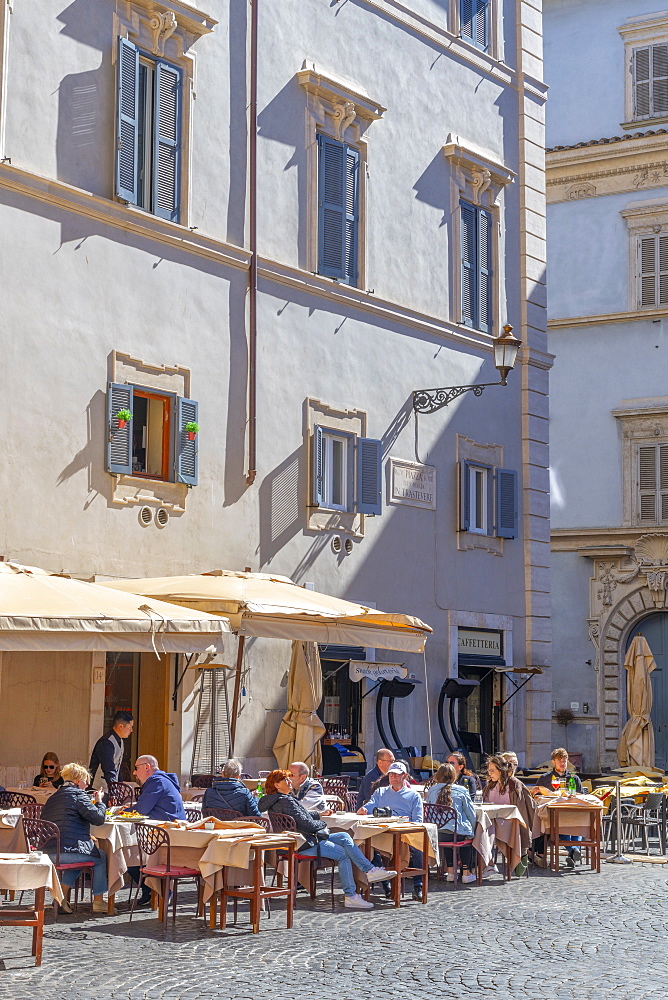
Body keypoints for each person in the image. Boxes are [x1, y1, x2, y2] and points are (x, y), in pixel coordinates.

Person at [258, 769, 397, 909]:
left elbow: (301, 815)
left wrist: (319, 814)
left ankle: (370, 871)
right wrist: (324, 824)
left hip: (301, 840)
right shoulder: (285, 801)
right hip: (305, 843)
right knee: (343, 855)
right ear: (276, 785)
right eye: (286, 780)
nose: (290, 782)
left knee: (344, 836)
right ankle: (351, 895)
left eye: (289, 779)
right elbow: (305, 824)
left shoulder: (277, 800)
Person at [41, 762, 108, 913]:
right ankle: (98, 902)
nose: (86, 785)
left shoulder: (53, 797)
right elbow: (98, 819)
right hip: (66, 852)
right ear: (78, 781)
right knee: (100, 856)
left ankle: (61, 898)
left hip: (49, 852)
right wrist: (99, 801)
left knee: (80, 854)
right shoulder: (78, 795)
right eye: (85, 781)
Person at [358, 761, 425, 901]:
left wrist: (403, 820)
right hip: (383, 833)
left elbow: (418, 821)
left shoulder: (413, 796)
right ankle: (386, 883)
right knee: (366, 844)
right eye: (391, 774)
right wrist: (363, 810)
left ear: (404, 776)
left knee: (419, 847)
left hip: (405, 833)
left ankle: (418, 885)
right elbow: (370, 807)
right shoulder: (380, 792)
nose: (393, 777)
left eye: (396, 774)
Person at [482, 755, 535, 877]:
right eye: (489, 770)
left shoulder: (514, 785)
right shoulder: (490, 785)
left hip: (511, 824)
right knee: (479, 829)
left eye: (492, 770)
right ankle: (485, 865)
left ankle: (488, 865)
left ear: (500, 770)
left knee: (486, 830)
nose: (489, 773)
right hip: (493, 821)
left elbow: (521, 810)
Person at [530, 748, 584, 868]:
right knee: (563, 828)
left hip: (573, 813)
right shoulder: (545, 778)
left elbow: (581, 796)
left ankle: (572, 852)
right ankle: (574, 851)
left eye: (564, 761)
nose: (562, 763)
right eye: (559, 761)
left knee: (578, 826)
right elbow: (536, 796)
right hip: (553, 815)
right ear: (553, 762)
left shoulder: (574, 778)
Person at [426, 762, 478, 883]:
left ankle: (450, 871)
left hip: (437, 833)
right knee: (466, 834)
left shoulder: (432, 790)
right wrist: (473, 828)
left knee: (448, 832)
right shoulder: (461, 790)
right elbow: (470, 813)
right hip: (456, 833)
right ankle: (466, 872)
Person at [88, 710, 134, 789]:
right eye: (130, 727)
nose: (131, 730)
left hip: (111, 786)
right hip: (99, 787)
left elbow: (118, 767)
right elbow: (108, 768)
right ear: (120, 726)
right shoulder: (106, 742)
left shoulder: (120, 741)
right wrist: (113, 789)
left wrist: (119, 784)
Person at [133, 755, 186, 822]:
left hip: (169, 829)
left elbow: (141, 810)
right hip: (169, 825)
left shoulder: (157, 782)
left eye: (136, 768)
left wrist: (120, 812)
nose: (134, 772)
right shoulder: (162, 780)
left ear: (147, 767)